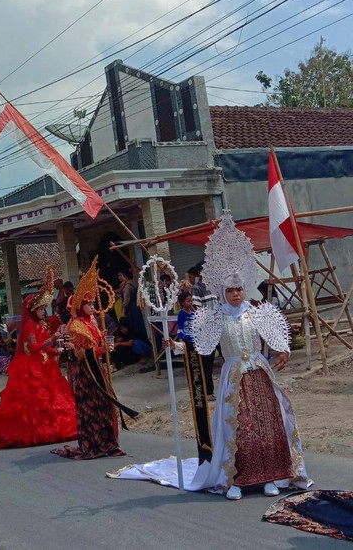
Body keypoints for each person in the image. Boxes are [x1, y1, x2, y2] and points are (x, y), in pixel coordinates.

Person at [108, 213, 311, 499]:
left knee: (268, 424)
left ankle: (271, 475)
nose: (236, 294)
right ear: (223, 292)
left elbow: (277, 335)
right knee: (237, 428)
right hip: (234, 379)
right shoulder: (214, 317)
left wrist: (284, 351)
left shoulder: (258, 312)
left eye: (239, 288)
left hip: (260, 375)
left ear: (245, 288)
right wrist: (175, 347)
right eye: (231, 290)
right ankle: (237, 479)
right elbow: (197, 346)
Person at [0, 268, 77, 449]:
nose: (44, 312)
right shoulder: (29, 326)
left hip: (46, 366)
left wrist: (55, 350)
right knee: (33, 401)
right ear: (33, 309)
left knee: (53, 399)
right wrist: (51, 341)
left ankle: (53, 428)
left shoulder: (41, 324)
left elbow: (45, 348)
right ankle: (36, 430)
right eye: (41, 309)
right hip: (31, 368)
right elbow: (34, 348)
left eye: (44, 308)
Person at [52, 257, 137, 460]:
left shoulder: (92, 320)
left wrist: (103, 340)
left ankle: (108, 442)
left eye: (92, 303)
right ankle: (93, 443)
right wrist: (101, 350)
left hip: (98, 369)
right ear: (80, 305)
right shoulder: (75, 326)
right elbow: (81, 354)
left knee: (105, 405)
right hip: (85, 374)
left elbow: (96, 344)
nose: (92, 306)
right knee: (90, 408)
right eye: (88, 303)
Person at [177, 291, 215, 401]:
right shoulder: (182, 314)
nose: (190, 303)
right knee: (193, 366)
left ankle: (208, 391)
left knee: (205, 366)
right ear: (182, 303)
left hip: (199, 340)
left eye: (191, 301)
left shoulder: (194, 312)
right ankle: (197, 392)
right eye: (188, 301)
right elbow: (180, 328)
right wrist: (181, 341)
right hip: (188, 341)